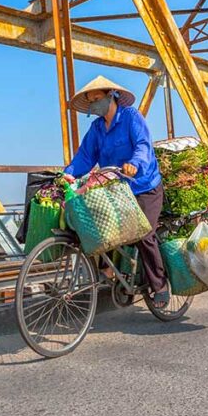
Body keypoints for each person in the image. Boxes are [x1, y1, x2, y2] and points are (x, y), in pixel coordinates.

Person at [62, 76, 170, 309]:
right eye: (91, 102)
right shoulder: (97, 128)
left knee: (143, 233)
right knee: (97, 226)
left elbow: (143, 144)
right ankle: (114, 274)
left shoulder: (131, 116)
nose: (94, 105)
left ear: (112, 96)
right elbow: (85, 157)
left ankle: (160, 286)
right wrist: (68, 173)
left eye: (97, 99)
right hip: (116, 189)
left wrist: (134, 162)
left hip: (144, 186)